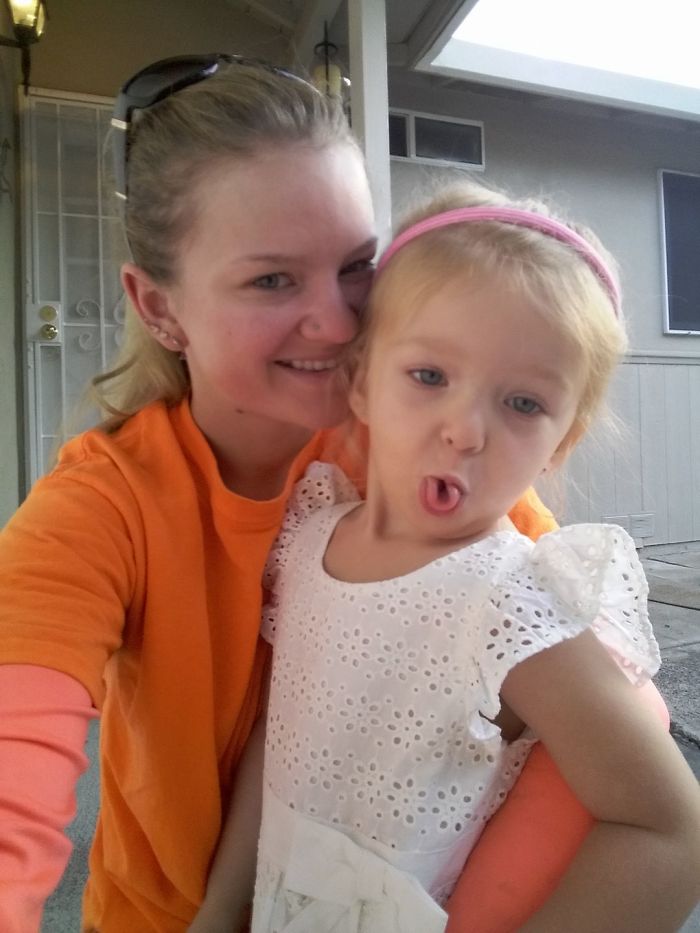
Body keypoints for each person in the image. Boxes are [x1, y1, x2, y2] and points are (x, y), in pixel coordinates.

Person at [0, 53, 678, 933]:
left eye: (357, 266)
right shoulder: (103, 505)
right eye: (273, 279)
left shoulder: (429, 470)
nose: (338, 319)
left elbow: (608, 742)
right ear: (159, 306)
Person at [191, 182, 700, 933]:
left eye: (523, 403)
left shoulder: (510, 598)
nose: (466, 431)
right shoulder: (306, 538)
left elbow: (672, 831)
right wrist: (217, 908)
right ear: (359, 380)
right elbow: (284, 737)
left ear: (563, 437)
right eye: (429, 376)